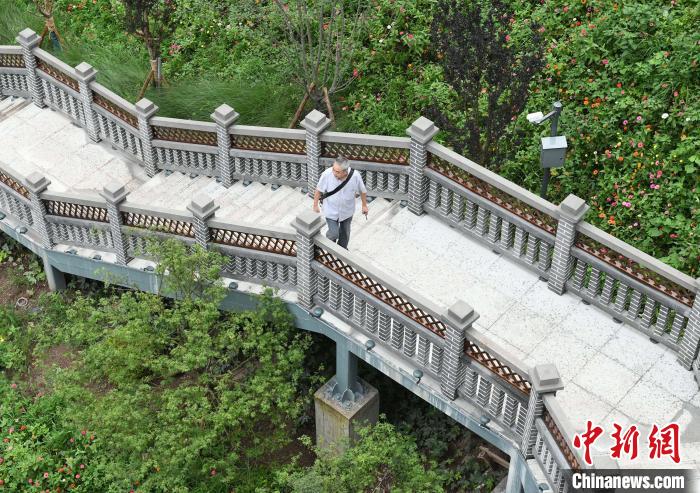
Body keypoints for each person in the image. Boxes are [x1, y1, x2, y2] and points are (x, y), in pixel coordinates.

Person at [312, 156, 368, 249]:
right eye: (333, 169)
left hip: (347, 211)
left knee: (345, 235)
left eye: (337, 172)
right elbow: (318, 190)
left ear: (345, 171)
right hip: (331, 210)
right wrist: (315, 206)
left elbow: (362, 191)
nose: (334, 173)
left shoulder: (355, 176)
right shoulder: (327, 174)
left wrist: (364, 205)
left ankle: (341, 252)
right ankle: (327, 247)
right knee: (333, 234)